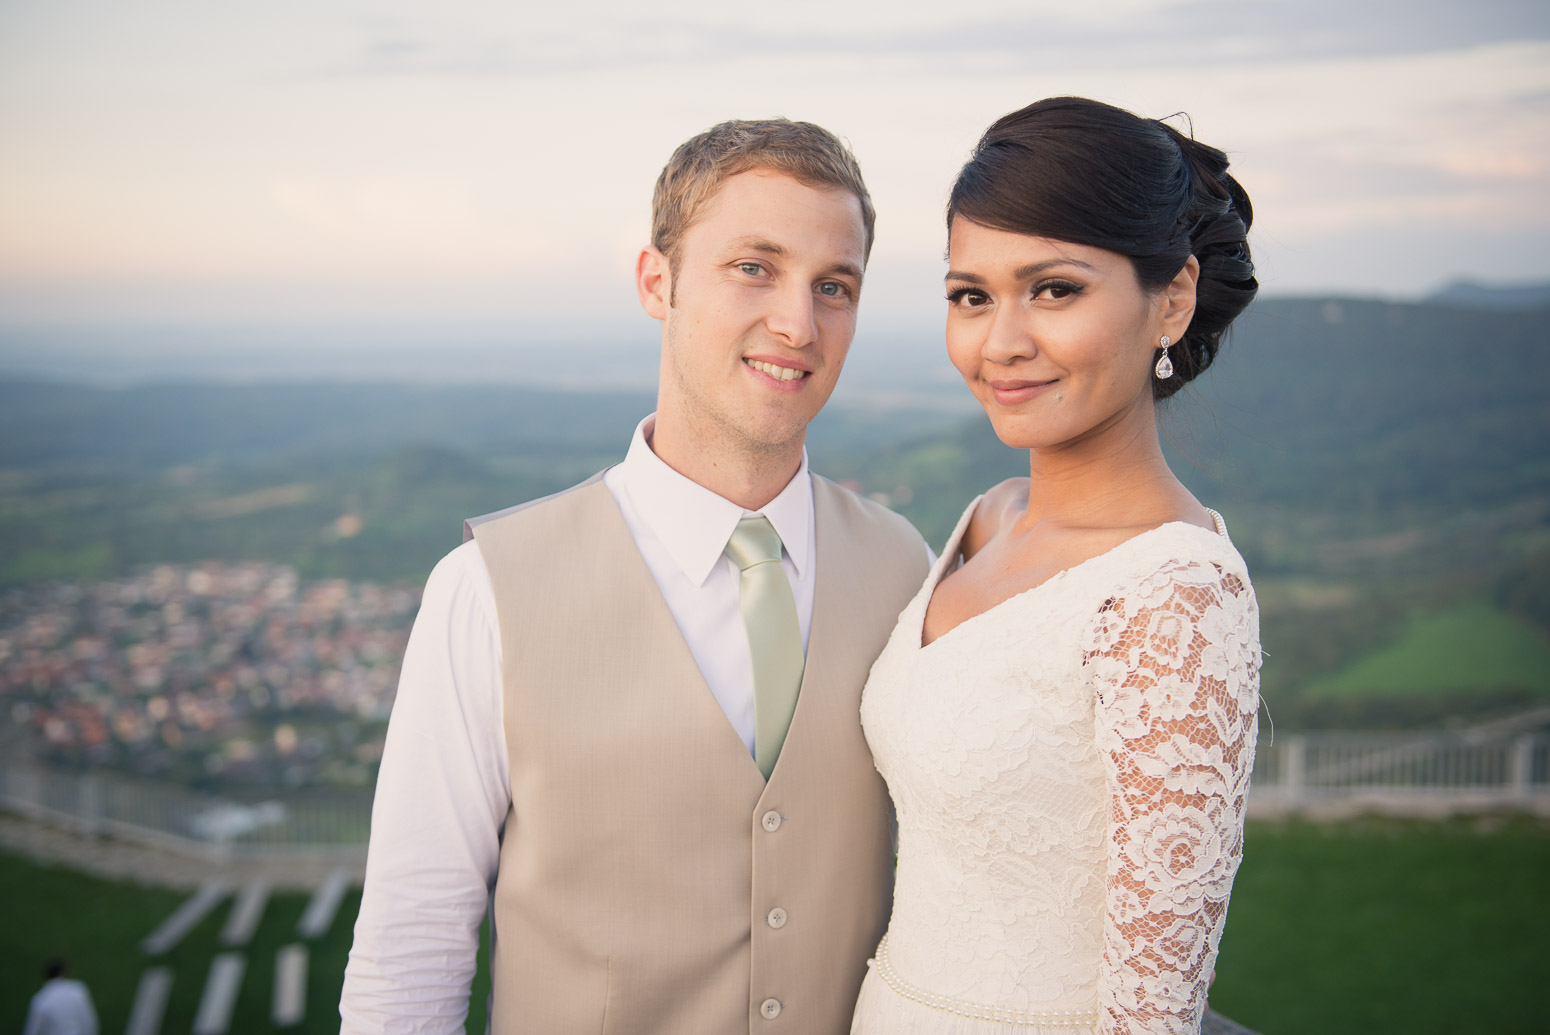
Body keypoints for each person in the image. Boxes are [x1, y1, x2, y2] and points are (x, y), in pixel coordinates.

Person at [341, 119, 929, 1034]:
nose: (798, 323)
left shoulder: (907, 571)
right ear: (659, 282)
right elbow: (410, 948)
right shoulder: (484, 591)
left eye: (834, 286)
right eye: (753, 267)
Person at [850, 96, 1261, 1034]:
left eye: (1055, 289)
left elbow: (1152, 1012)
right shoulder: (987, 519)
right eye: (972, 295)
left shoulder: (1177, 595)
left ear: (1173, 299)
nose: (1001, 342)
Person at [23, 960, 98, 1035]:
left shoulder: (40, 999)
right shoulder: (78, 990)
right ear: (64, 972)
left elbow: (32, 1031)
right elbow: (89, 1022)